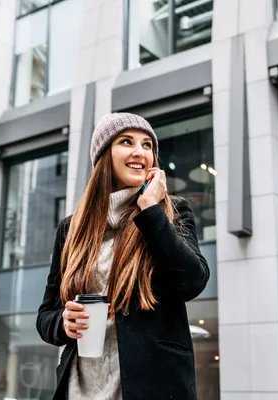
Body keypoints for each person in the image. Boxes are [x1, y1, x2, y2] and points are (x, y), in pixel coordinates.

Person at [36, 113, 210, 399]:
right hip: (81, 389)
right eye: (126, 142)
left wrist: (150, 210)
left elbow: (192, 282)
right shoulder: (72, 228)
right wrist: (63, 323)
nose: (139, 152)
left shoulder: (171, 212)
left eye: (147, 145)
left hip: (152, 388)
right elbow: (46, 315)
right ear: (105, 156)